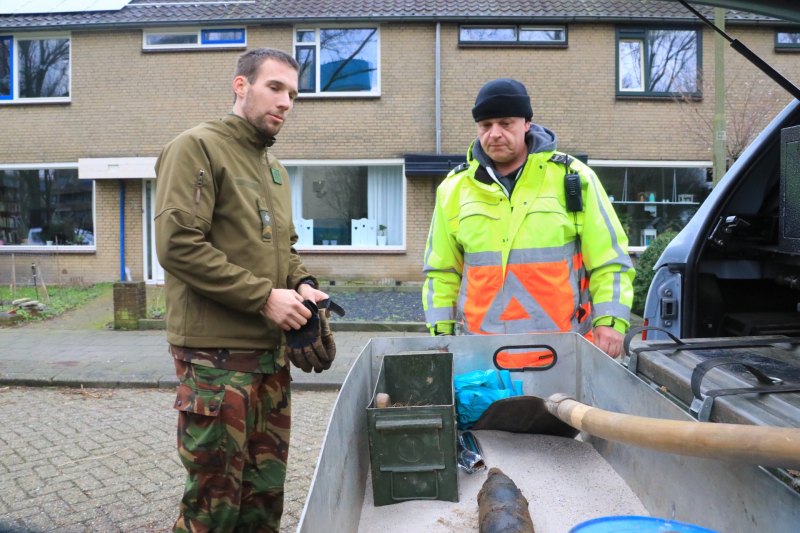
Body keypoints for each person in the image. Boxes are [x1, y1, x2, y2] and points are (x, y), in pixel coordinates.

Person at [155, 48, 333, 533]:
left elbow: (284, 250)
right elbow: (177, 246)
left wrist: (303, 285)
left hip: (270, 362)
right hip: (217, 364)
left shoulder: (273, 169)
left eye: (293, 94)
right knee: (214, 506)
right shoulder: (197, 147)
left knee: (261, 501)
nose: (286, 103)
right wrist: (264, 297)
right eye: (275, 88)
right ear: (241, 86)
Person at [422, 78, 634, 363]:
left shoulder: (573, 179)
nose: (494, 134)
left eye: (505, 123)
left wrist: (610, 321)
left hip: (565, 353)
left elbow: (610, 260)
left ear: (526, 124)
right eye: (486, 125)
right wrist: (441, 334)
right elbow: (441, 271)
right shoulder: (454, 189)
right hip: (483, 358)